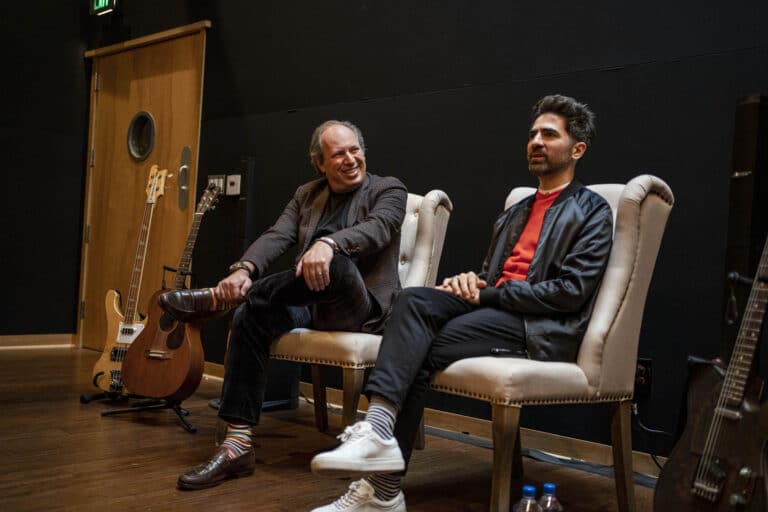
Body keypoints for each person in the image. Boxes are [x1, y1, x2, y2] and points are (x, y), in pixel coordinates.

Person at [309, 95, 613, 512]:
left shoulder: (592, 211)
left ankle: (381, 489)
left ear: (577, 149)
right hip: (497, 309)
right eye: (532, 134)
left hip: (540, 327)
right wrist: (472, 282)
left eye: (549, 134)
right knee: (413, 300)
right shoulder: (516, 211)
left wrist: (487, 293)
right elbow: (494, 277)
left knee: (417, 349)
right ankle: (379, 440)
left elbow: (570, 293)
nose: (536, 142)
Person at [160, 120, 408, 490]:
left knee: (335, 263)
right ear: (320, 163)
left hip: (360, 307)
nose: (351, 159)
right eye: (338, 154)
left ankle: (217, 299)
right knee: (250, 314)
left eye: (355, 149)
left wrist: (328, 244)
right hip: (311, 304)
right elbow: (277, 235)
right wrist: (244, 269)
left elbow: (378, 228)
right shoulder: (306, 194)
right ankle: (237, 445)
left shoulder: (389, 189)